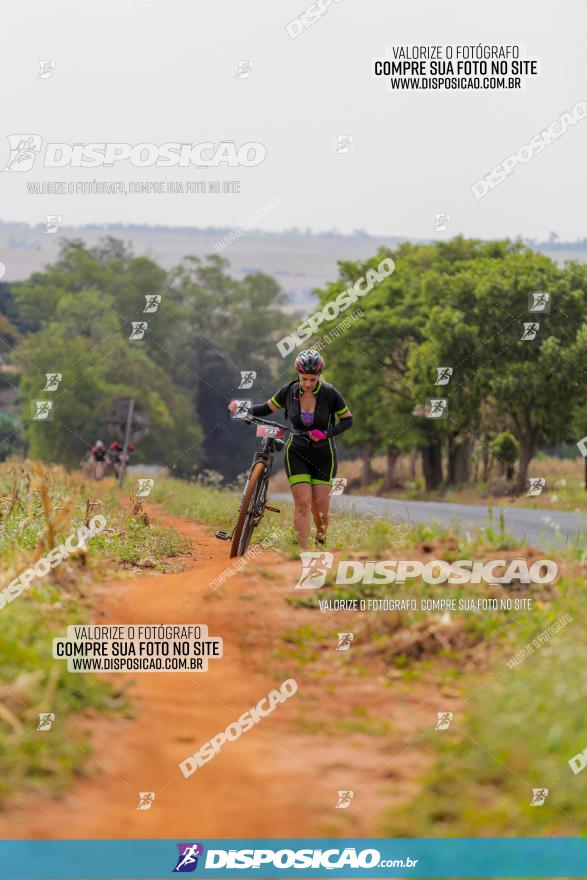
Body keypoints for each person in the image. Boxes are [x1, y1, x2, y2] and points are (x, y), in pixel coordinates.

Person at [228, 349, 353, 549]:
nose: (308, 384)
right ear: (298, 375)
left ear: (319, 376)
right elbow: (265, 408)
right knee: (303, 505)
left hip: (324, 455)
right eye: (304, 379)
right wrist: (240, 409)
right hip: (297, 452)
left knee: (320, 512)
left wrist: (326, 433)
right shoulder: (289, 391)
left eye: (313, 379)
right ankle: (303, 553)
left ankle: (320, 540)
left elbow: (348, 420)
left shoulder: (330, 393)